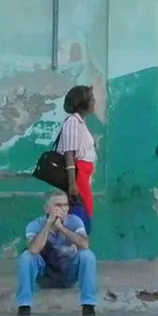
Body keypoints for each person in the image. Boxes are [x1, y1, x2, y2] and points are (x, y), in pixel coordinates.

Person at [15, 191, 98, 316]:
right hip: (45, 275)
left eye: (65, 205)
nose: (63, 209)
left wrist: (62, 228)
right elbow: (34, 249)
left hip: (68, 273)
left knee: (87, 255)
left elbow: (85, 244)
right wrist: (48, 225)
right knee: (26, 257)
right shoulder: (35, 225)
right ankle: (24, 307)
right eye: (57, 205)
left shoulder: (75, 221)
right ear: (47, 209)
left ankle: (88, 308)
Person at [56, 85, 97, 234]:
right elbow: (69, 154)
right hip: (78, 175)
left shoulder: (80, 122)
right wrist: (73, 183)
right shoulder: (73, 122)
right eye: (91, 99)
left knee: (85, 209)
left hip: (83, 174)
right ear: (82, 102)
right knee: (81, 211)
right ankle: (77, 243)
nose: (94, 102)